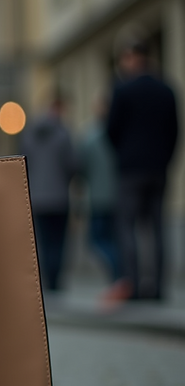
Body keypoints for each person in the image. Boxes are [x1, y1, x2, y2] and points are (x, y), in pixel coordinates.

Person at [107, 39, 179, 300]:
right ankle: (158, 288)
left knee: (127, 227)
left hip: (130, 169)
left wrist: (124, 155)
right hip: (158, 168)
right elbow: (174, 132)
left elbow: (111, 130)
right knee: (158, 227)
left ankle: (134, 286)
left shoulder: (123, 90)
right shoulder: (166, 90)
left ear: (133, 58)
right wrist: (165, 160)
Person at [20, 97, 77, 292]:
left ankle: (45, 280)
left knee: (42, 242)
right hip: (59, 197)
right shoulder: (63, 134)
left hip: (37, 198)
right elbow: (72, 165)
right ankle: (55, 280)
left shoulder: (29, 135)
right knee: (59, 241)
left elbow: (23, 165)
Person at [79, 97, 121, 284]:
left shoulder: (91, 137)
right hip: (117, 196)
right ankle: (119, 275)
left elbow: (81, 167)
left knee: (97, 240)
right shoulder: (120, 136)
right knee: (114, 239)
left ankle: (118, 274)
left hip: (97, 197)